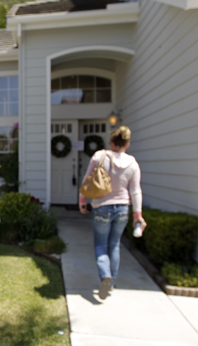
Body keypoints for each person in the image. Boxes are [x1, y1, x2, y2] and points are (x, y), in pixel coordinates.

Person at [79, 126, 145, 300]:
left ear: (111, 142)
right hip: (123, 208)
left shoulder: (99, 156)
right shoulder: (133, 163)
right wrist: (137, 215)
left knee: (100, 245)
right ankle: (112, 282)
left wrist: (82, 201)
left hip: (101, 206)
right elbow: (136, 191)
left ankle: (105, 275)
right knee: (114, 245)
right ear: (127, 144)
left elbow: (87, 180)